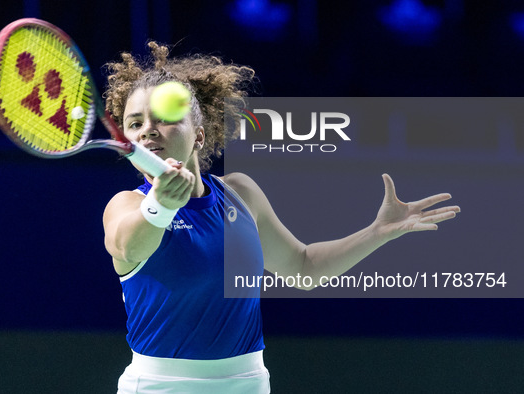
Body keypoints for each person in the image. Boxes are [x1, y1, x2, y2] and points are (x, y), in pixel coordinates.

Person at [102, 42, 460, 394]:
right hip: (160, 386)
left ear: (199, 135)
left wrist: (378, 232)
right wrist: (161, 205)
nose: (147, 130)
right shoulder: (127, 206)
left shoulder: (241, 193)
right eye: (134, 123)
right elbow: (129, 246)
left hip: (248, 383)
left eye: (164, 119)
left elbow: (303, 268)